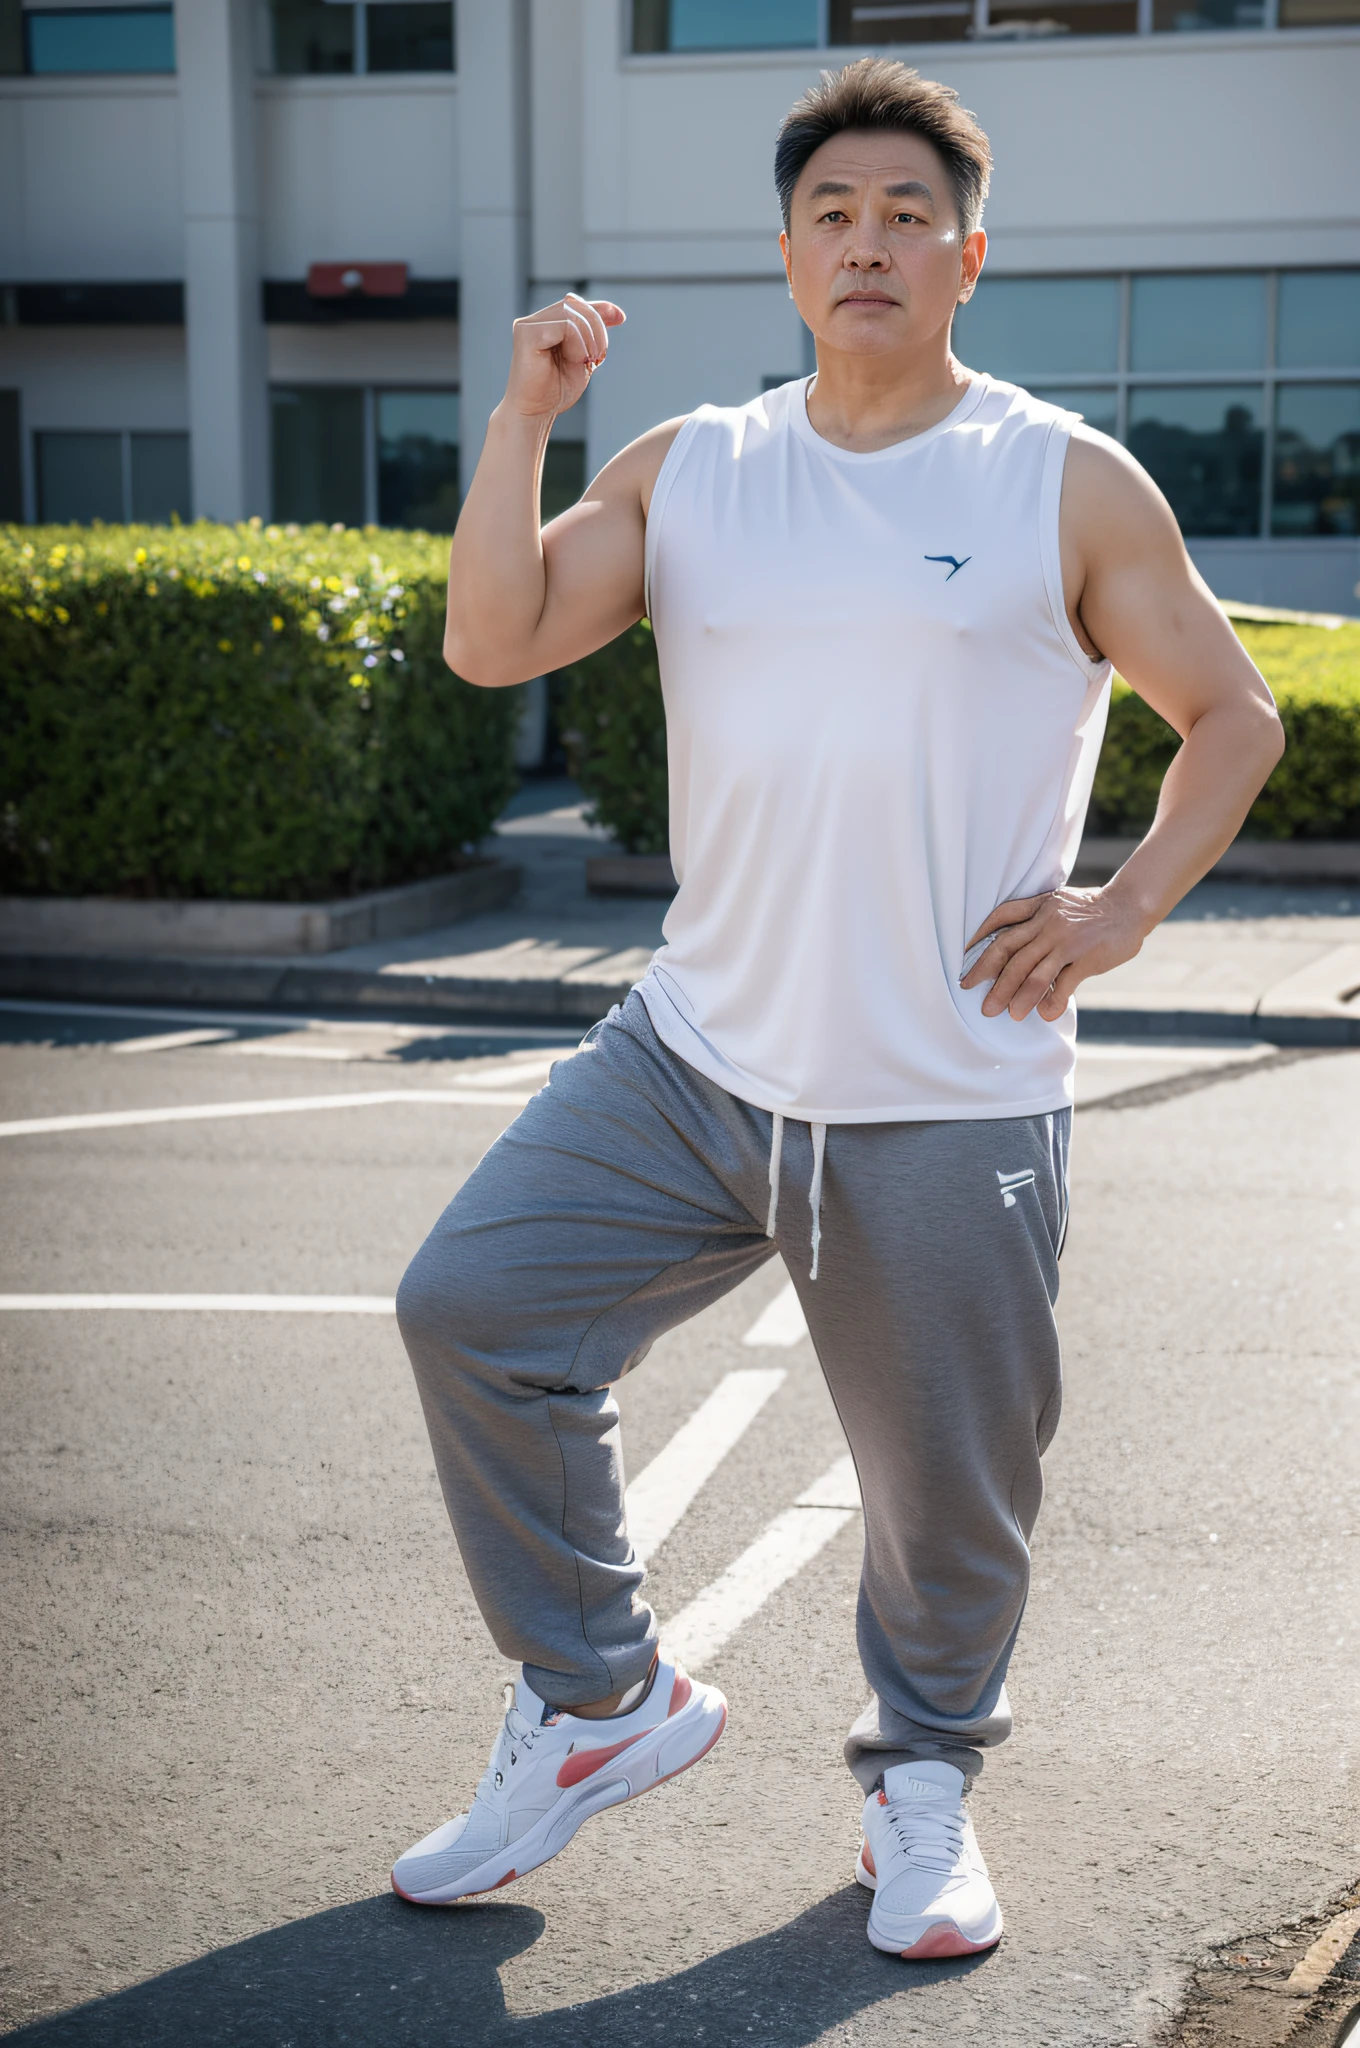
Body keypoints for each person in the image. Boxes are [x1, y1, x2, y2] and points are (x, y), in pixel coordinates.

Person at [390, 57, 1283, 1958]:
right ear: (787, 256)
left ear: (971, 252)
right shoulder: (695, 465)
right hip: (699, 1055)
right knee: (472, 1311)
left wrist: (1121, 910)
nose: (866, 242)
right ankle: (601, 1703)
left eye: (904, 215)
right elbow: (490, 641)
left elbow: (1235, 715)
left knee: (945, 1490)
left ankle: (922, 1783)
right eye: (831, 216)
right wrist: (521, 426)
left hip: (946, 1083)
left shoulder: (1056, 476)